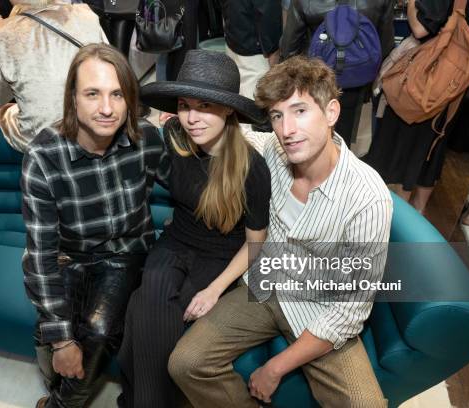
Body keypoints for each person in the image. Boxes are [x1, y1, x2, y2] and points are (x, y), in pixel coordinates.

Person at [168, 55, 393, 407]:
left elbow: (349, 313)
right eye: (277, 115)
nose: (287, 129)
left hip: (320, 309)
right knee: (185, 363)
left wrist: (274, 368)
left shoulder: (368, 198)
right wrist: (174, 120)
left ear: (332, 112)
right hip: (262, 286)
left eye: (300, 111)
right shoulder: (273, 149)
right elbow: (234, 130)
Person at [117, 50, 272, 408]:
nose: (191, 118)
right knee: (149, 299)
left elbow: (257, 243)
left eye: (204, 106)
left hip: (221, 256)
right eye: (185, 105)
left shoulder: (252, 167)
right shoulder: (175, 137)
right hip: (175, 241)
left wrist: (215, 290)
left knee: (153, 312)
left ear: (229, 109)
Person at [21, 43, 170, 408]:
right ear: (72, 98)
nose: (107, 108)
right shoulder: (44, 156)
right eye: (93, 94)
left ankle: (58, 406)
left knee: (98, 330)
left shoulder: (144, 138)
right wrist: (60, 340)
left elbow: (191, 185)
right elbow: (40, 253)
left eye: (117, 94)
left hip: (124, 253)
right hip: (68, 255)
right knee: (50, 332)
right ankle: (56, 380)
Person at [365, 0, 469, 213]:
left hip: (423, 80)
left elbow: (419, 29)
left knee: (403, 152)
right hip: (453, 85)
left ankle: (388, 221)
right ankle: (417, 214)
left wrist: (411, 3)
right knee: (430, 151)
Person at [0, 0, 108, 152]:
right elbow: (110, 66)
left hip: (46, 140)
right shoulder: (86, 14)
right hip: (96, 123)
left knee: (6, 112)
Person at [280, 0, 394, 147]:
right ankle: (341, 163)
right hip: (356, 75)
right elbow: (384, 44)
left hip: (315, 77)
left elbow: (290, 45)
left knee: (312, 129)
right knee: (345, 132)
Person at [220, 0, 282, 99]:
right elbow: (268, 12)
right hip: (255, 50)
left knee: (237, 96)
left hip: (235, 37)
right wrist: (272, 50)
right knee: (253, 102)